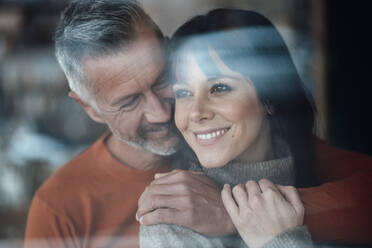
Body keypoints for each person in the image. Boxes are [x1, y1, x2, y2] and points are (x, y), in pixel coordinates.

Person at [25, 1, 372, 247]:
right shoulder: (59, 207)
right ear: (89, 108)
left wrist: (232, 211)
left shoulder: (266, 143)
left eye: (164, 81)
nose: (163, 113)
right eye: (129, 102)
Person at [137, 8, 372, 247]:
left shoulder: (323, 170)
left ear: (269, 97)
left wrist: (237, 211)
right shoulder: (171, 219)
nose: (196, 113)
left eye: (219, 88)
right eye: (184, 93)